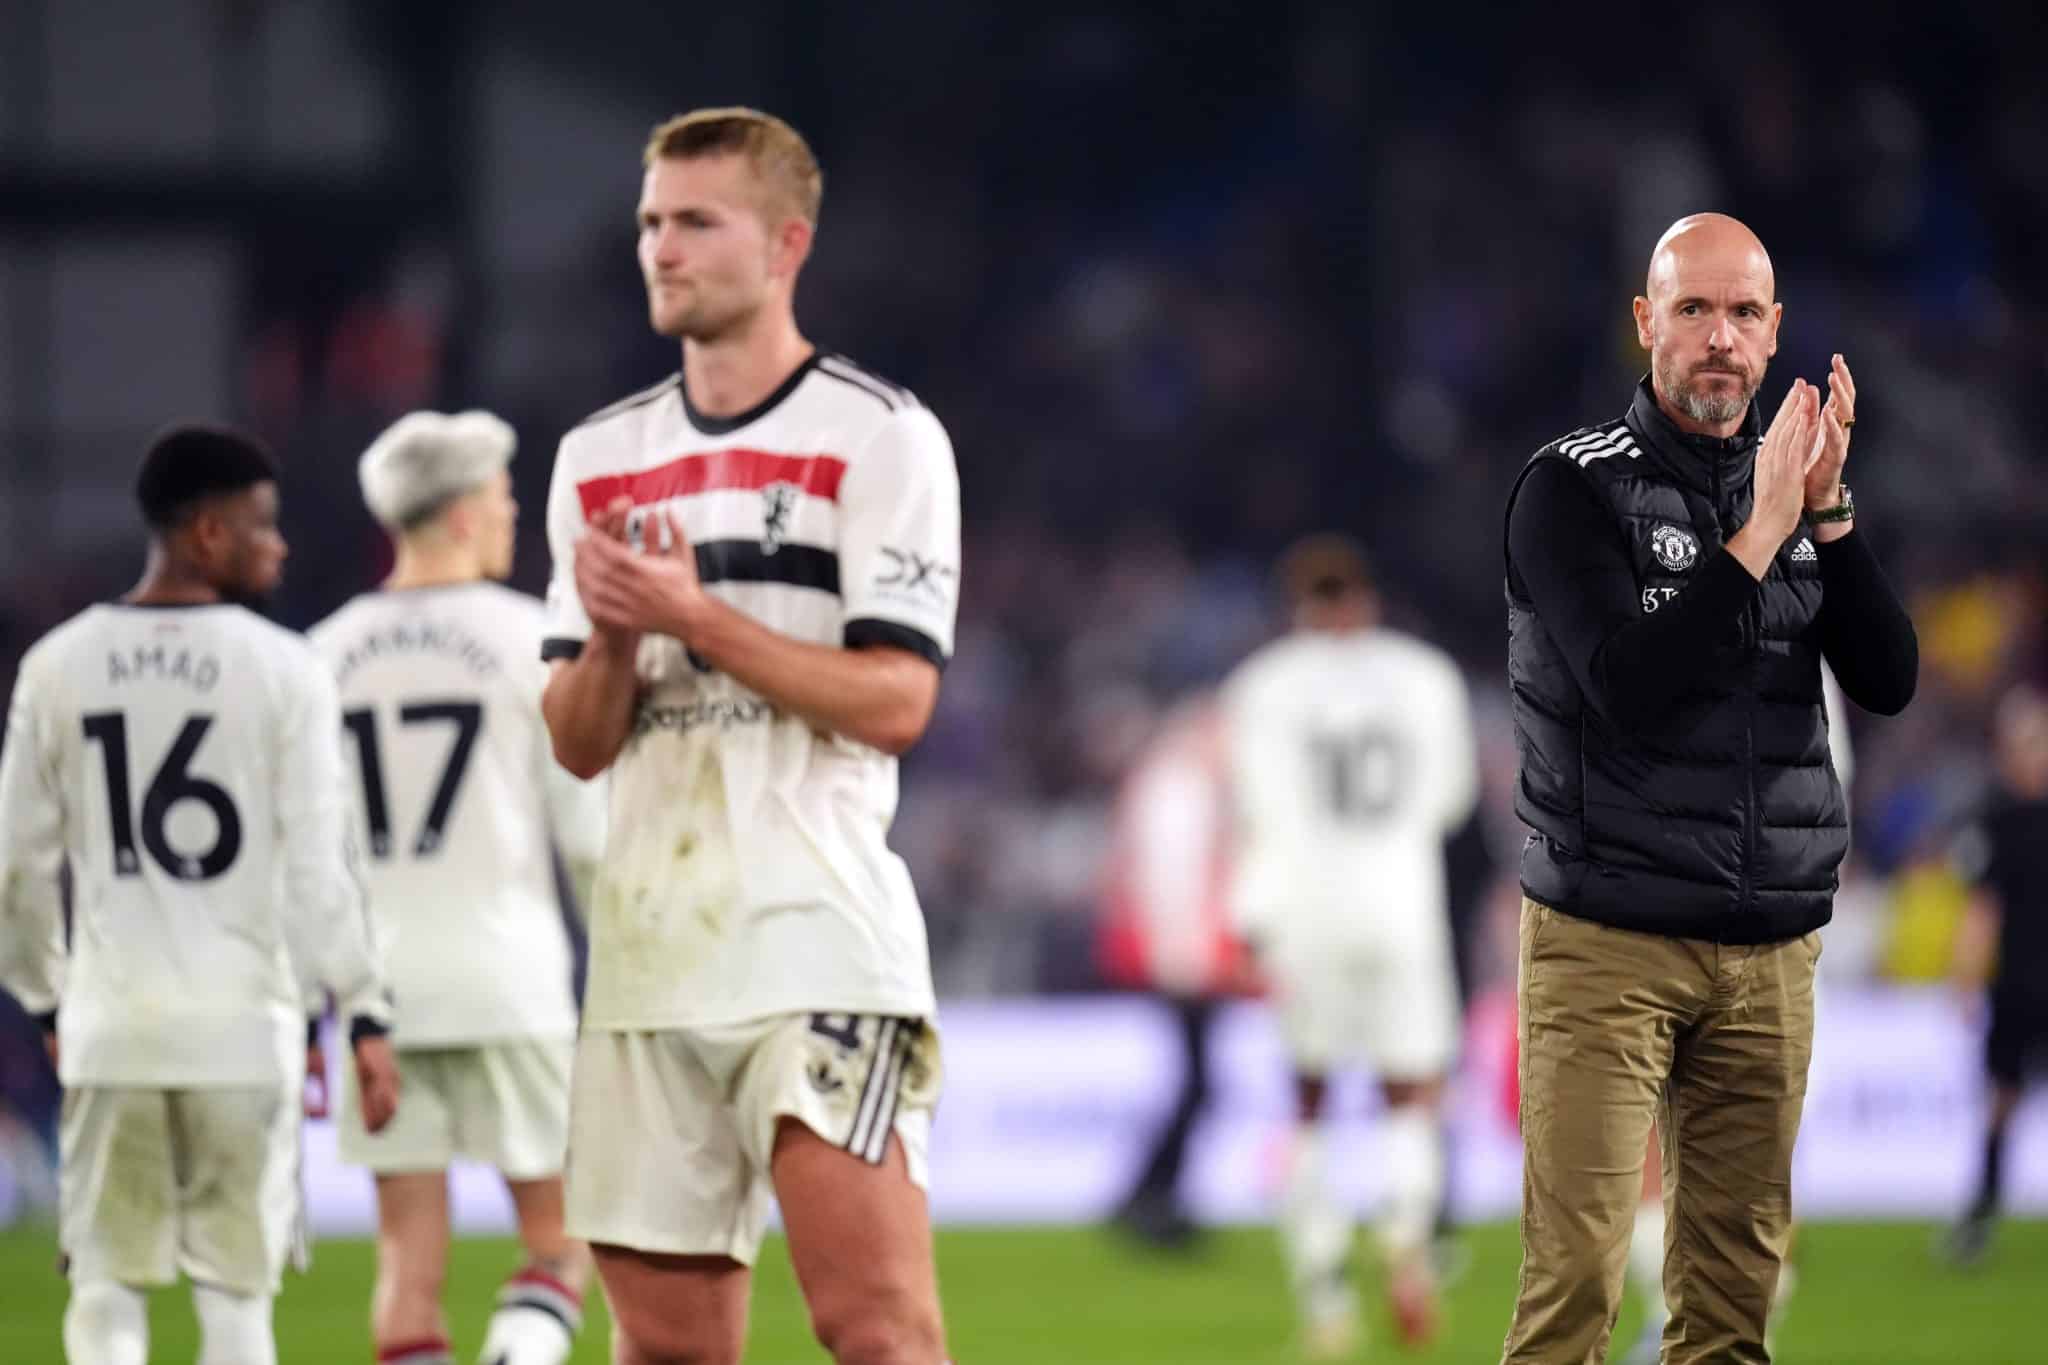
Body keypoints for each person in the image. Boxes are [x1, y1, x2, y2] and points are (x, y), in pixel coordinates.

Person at [538, 108, 960, 1365]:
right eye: (649, 223)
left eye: (694, 222)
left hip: (814, 941)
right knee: (666, 1353)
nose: (660, 249)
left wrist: (694, 617)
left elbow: (897, 701)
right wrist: (617, 638)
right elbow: (575, 744)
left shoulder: (877, 435)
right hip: (647, 958)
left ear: (786, 246)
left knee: (877, 1333)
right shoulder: (597, 456)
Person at [1498, 213, 1918, 1364]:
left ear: (1773, 331)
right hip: (1607, 939)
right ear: (1646, 323)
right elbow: (1626, 689)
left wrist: (1825, 515)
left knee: (1732, 1310)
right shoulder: (1568, 489)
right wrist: (1764, 527)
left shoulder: (1797, 498)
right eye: (1692, 310)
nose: (1718, 338)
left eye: (1741, 313)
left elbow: (1887, 680)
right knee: (1573, 1289)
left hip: (1768, 946)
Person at [0, 424, 400, 1365]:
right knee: (235, 1299)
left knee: (104, 1291)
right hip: (242, 1031)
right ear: (209, 532)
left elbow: (16, 866)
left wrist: (48, 999)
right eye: (264, 525)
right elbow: (320, 868)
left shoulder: (57, 664)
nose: (281, 546)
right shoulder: (286, 667)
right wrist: (360, 1009)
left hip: (110, 1027)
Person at [309, 411, 609, 1365]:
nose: (513, 510)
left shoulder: (319, 655)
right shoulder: (531, 639)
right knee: (562, 1240)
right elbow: (588, 838)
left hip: (378, 998)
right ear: (464, 511)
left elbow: (306, 856)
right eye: (504, 493)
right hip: (507, 980)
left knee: (407, 1267)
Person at [1221, 535, 1477, 1357]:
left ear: (1295, 603)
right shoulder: (1427, 676)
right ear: (1367, 594)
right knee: (1411, 1093)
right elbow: (1451, 800)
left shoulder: (1262, 686)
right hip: (1402, 905)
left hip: (1307, 912)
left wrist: (1251, 921)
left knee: (1309, 1100)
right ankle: (1407, 1233)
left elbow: (1255, 810)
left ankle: (1326, 1295)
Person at [1096, 693, 1251, 1250]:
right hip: (1184, 959)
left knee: (1197, 1082)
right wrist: (1186, 960)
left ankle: (1152, 1197)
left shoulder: (1176, 785)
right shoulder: (1180, 789)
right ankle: (1150, 1200)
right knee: (1199, 1084)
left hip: (1182, 955)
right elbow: (1172, 884)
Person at [1944, 683, 2048, 1264]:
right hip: (2018, 987)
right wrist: (1965, 974)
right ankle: (1980, 1217)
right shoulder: (1999, 822)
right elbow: (1983, 908)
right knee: (2002, 1100)